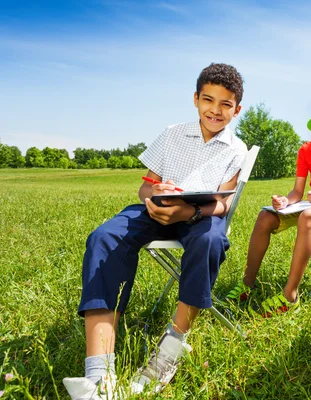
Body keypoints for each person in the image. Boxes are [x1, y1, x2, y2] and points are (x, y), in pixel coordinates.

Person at [63, 63, 248, 399]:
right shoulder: (172, 133)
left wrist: (189, 210)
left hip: (199, 215)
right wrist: (155, 197)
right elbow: (145, 187)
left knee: (210, 240)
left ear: (237, 109)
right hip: (155, 209)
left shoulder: (236, 149)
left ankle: (170, 350)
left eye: (225, 105)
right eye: (208, 100)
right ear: (195, 99)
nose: (215, 110)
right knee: (104, 237)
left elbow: (224, 204)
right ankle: (99, 374)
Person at [226, 97, 311, 316]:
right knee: (265, 216)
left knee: (308, 215)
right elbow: (297, 192)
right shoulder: (307, 149)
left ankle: (290, 296)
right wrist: (284, 201)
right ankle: (247, 284)